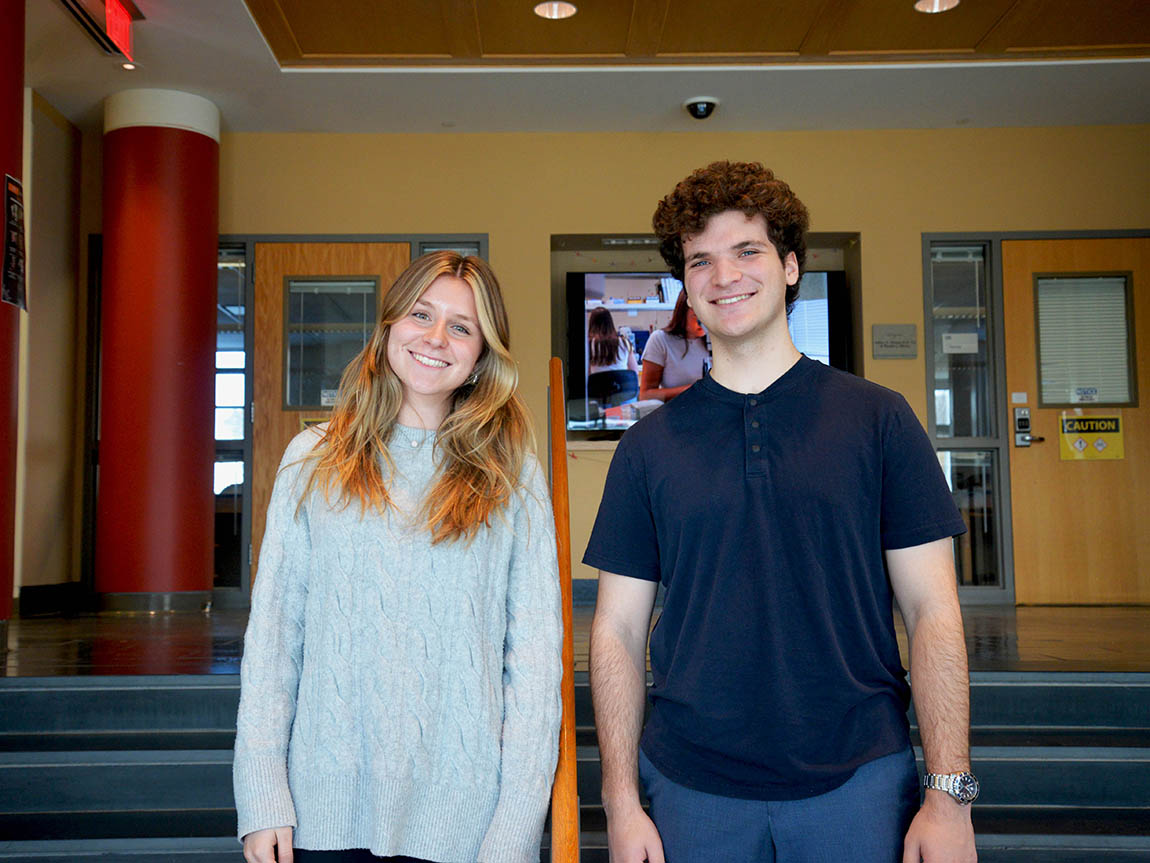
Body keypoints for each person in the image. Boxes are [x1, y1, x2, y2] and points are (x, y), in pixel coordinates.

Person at [585, 161, 978, 863]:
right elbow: (616, 630)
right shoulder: (646, 449)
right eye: (700, 259)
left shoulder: (879, 420)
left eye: (747, 251)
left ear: (791, 266)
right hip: (689, 785)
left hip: (858, 776)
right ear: (686, 284)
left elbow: (933, 612)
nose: (723, 275)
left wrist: (946, 795)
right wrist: (619, 799)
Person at [233, 251, 563, 863]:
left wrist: (516, 828)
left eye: (462, 327)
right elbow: (275, 641)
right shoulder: (312, 459)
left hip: (464, 823)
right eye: (421, 315)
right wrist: (262, 797)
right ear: (389, 327)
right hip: (319, 813)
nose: (436, 338)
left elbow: (537, 664)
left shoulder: (511, 475)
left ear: (481, 357)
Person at [638, 291, 709, 402]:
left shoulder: (715, 341)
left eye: (708, 316)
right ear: (682, 314)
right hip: (677, 413)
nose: (705, 323)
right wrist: (693, 390)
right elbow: (645, 396)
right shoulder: (660, 340)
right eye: (697, 317)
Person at [588, 306, 641, 375]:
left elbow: (587, 374)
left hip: (597, 385)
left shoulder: (589, 345)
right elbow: (634, 372)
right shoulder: (624, 343)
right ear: (610, 323)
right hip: (621, 385)